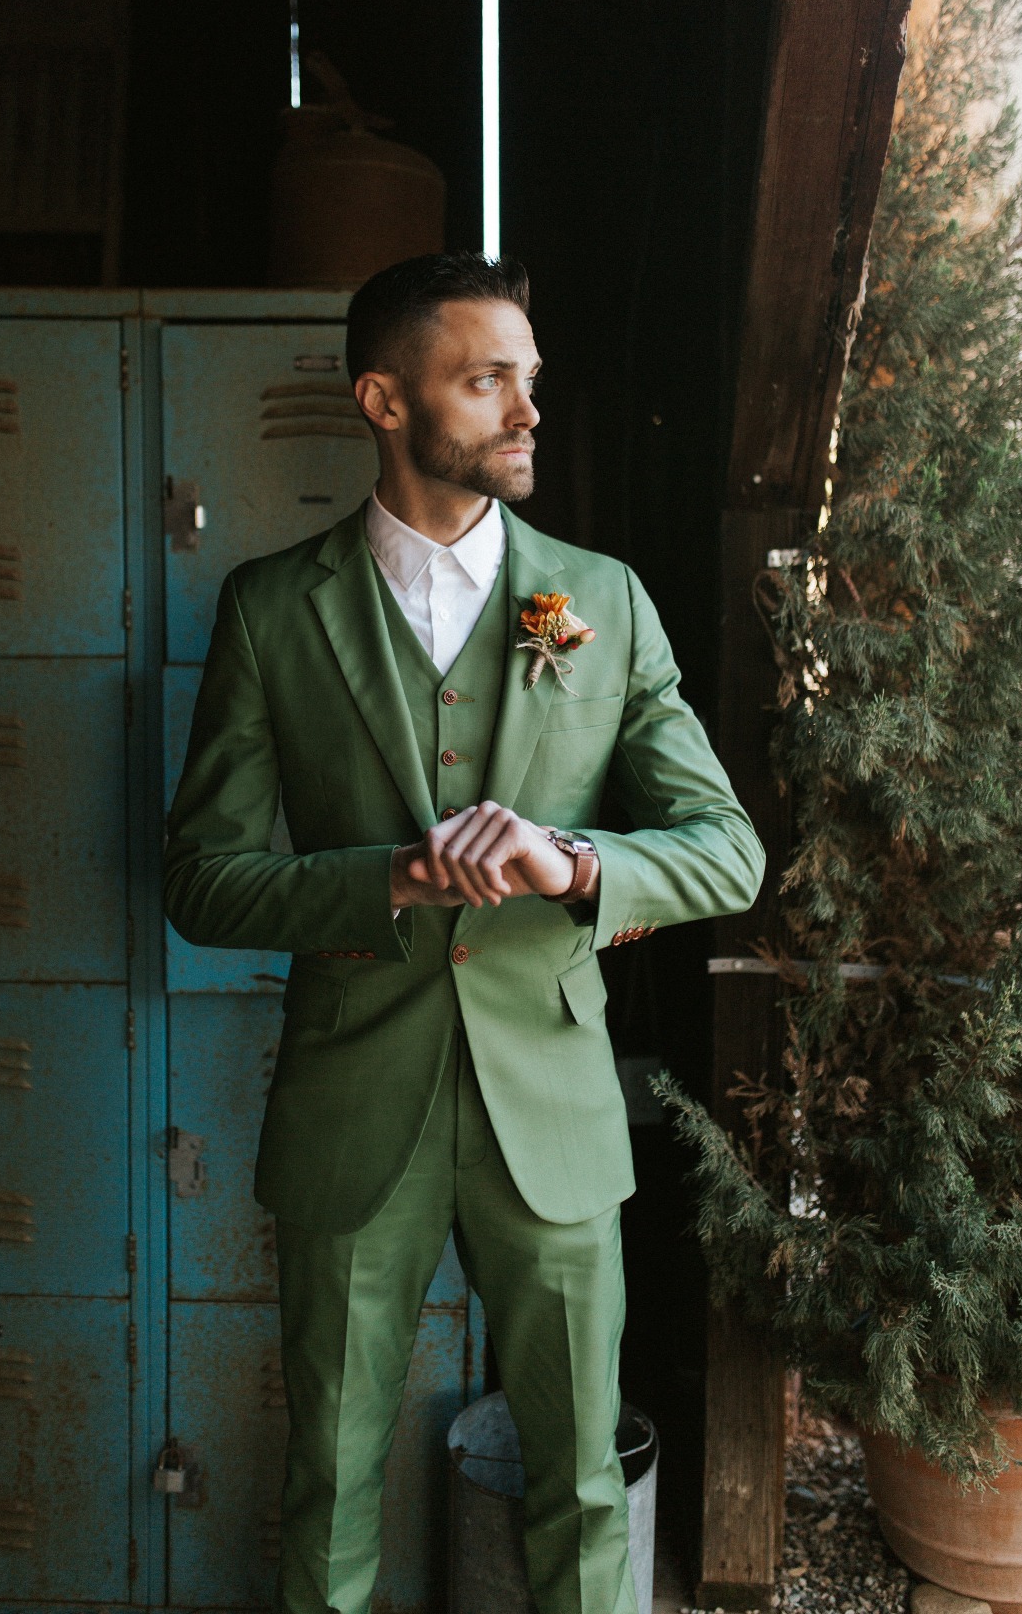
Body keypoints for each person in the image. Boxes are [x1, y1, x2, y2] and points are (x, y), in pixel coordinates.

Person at [164, 251, 765, 1614]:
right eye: (487, 379)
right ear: (383, 399)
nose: (525, 410)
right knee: (328, 1476)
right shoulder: (269, 608)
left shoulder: (600, 602)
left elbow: (728, 850)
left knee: (581, 1482)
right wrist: (380, 880)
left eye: (529, 380)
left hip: (548, 1108)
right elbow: (201, 880)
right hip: (348, 1104)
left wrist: (572, 861)